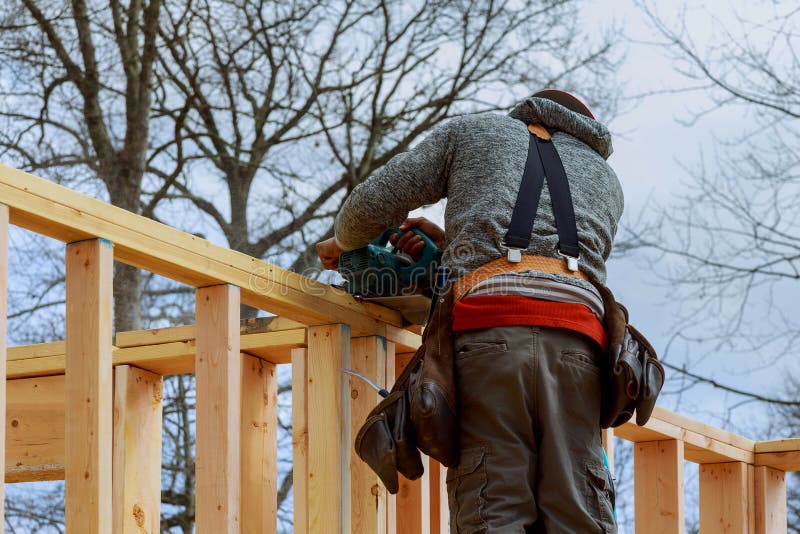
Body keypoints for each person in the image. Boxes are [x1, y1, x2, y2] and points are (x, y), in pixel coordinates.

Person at [317, 89, 622, 533]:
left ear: (529, 111)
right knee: (578, 514)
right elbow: (545, 256)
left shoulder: (475, 130)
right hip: (580, 347)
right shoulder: (606, 180)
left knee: (493, 510)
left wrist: (344, 241)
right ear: (587, 130)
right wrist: (451, 248)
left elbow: (370, 205)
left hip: (489, 336)